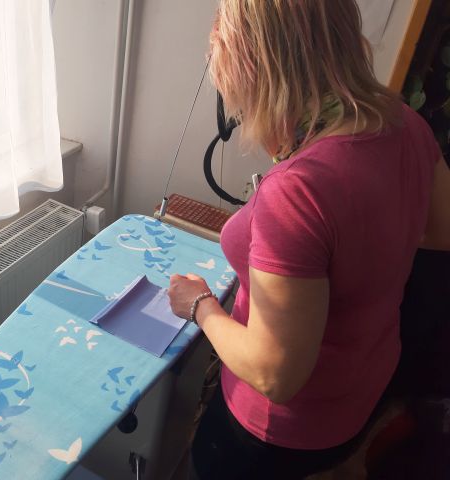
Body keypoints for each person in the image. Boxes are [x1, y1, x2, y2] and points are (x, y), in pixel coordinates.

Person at [167, 0, 450, 478]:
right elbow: (441, 232)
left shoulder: (298, 190)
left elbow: (273, 374)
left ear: (257, 69)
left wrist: (200, 305)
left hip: (275, 433)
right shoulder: (405, 123)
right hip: (361, 396)